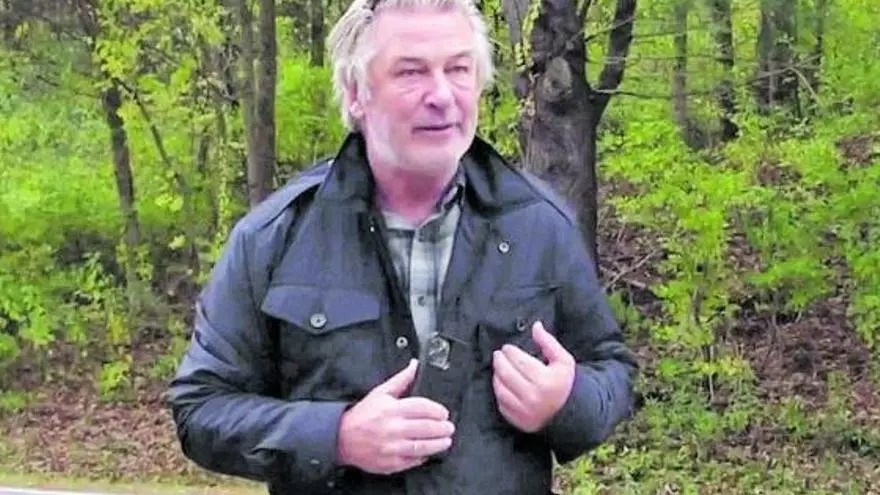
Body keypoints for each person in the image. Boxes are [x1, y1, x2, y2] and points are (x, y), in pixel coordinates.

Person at [166, 0, 638, 492]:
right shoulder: (276, 237)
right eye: (411, 72)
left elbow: (612, 371)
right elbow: (201, 408)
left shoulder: (538, 225)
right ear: (356, 93)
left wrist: (566, 402)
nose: (442, 95)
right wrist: (337, 436)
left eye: (458, 69)